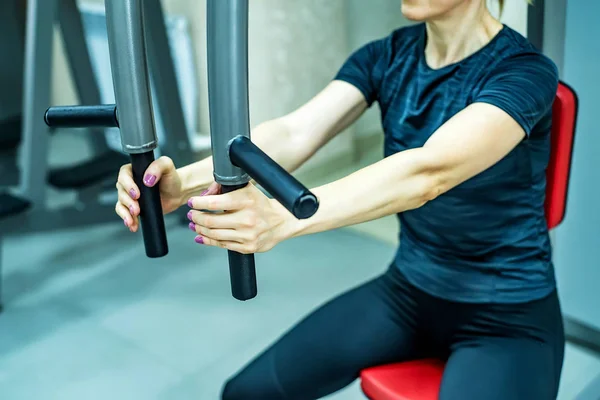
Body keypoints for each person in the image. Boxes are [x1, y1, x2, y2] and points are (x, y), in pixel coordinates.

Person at [115, 0, 563, 398]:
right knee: (245, 393)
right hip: (408, 291)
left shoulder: (524, 70)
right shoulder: (388, 54)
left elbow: (430, 172)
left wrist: (286, 218)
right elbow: (296, 131)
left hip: (507, 316)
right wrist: (181, 183)